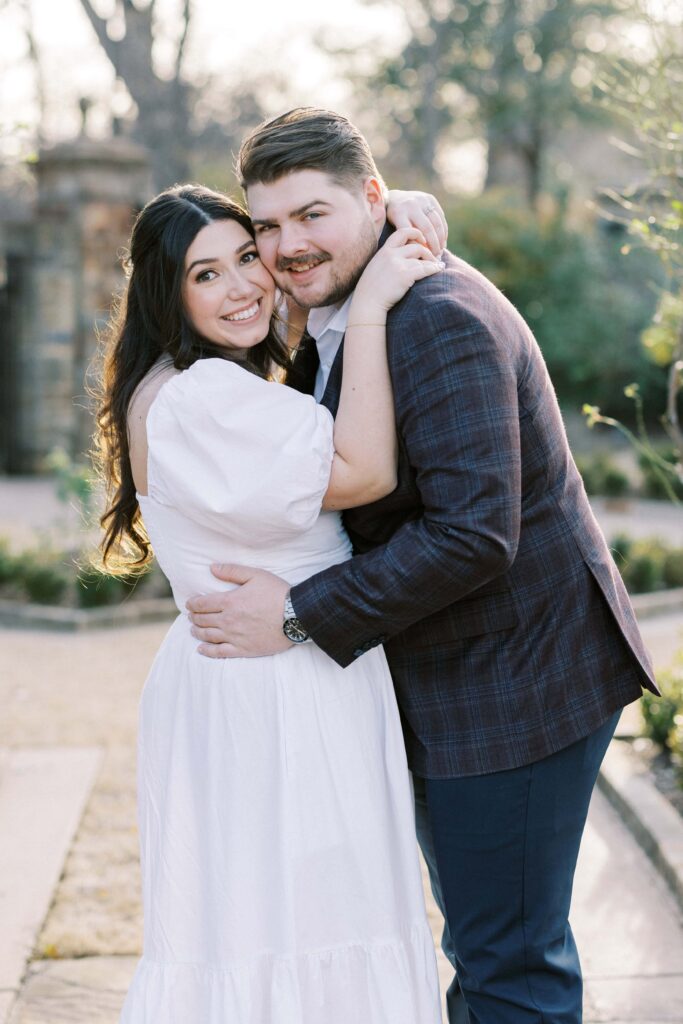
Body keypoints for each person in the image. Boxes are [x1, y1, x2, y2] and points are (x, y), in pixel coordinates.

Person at [186, 108, 660, 1024]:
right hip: (465, 679)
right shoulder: (348, 300)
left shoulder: (434, 317)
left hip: (515, 688)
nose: (287, 246)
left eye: (312, 215)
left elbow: (474, 534)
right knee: (485, 948)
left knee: (511, 965)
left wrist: (296, 612)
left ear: (371, 198)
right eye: (269, 225)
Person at [95, 183, 446, 1023]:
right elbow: (363, 472)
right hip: (279, 692)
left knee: (261, 931)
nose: (245, 284)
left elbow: (294, 310)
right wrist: (372, 304)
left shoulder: (190, 384)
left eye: (246, 257)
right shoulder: (205, 399)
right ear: (167, 294)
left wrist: (386, 203)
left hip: (253, 677)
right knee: (305, 926)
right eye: (206, 274)